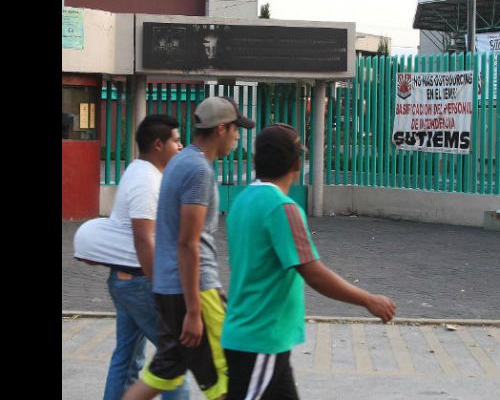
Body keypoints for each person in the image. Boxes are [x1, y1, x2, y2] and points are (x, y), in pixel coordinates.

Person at [221, 123, 396, 400]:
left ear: (254, 161)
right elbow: (313, 274)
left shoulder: (243, 201)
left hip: (255, 336)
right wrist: (368, 300)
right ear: (297, 164)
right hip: (260, 339)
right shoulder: (282, 208)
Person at [122, 96, 255, 400]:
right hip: (195, 292)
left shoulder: (181, 160)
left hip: (170, 289)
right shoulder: (199, 170)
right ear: (221, 128)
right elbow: (188, 242)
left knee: (162, 374)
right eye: (235, 129)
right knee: (230, 378)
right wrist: (194, 311)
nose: (237, 136)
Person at [73, 114, 189, 400]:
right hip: (140, 283)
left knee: (127, 359)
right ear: (159, 145)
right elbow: (143, 238)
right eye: (176, 140)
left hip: (129, 281)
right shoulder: (145, 180)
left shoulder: (142, 172)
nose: (181, 146)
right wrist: (160, 288)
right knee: (173, 358)